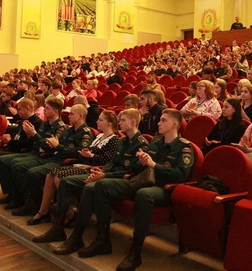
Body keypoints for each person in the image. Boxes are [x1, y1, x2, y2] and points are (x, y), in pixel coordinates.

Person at [62, 109, 193, 271]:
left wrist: (153, 165)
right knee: (100, 186)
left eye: (163, 120)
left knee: (144, 194)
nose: (158, 123)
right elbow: (139, 167)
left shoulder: (184, 147)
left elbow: (180, 175)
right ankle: (100, 240)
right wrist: (142, 161)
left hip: (163, 187)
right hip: (141, 180)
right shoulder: (155, 142)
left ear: (174, 124)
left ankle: (135, 252)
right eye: (160, 119)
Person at [32, 109, 148, 246]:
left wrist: (104, 174)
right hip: (103, 172)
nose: (119, 123)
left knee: (82, 185)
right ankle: (58, 228)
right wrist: (101, 171)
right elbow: (112, 163)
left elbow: (132, 171)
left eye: (123, 120)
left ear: (133, 122)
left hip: (121, 179)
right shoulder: (123, 141)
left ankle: (77, 235)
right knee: (65, 180)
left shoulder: (140, 144)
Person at [27, 110, 120, 225]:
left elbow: (108, 160)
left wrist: (91, 156)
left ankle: (68, 213)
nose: (97, 121)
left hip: (94, 168)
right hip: (84, 164)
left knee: (59, 177)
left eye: (101, 120)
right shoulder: (99, 136)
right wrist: (85, 153)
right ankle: (43, 212)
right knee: (51, 174)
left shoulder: (114, 140)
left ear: (109, 124)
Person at [0, 98, 68, 210]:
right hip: (34, 152)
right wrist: (30, 135)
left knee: (17, 165)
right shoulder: (45, 124)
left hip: (45, 156)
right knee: (1, 160)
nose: (44, 110)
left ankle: (28, 200)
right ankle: (14, 195)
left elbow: (48, 147)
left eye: (47, 108)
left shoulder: (60, 127)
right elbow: (37, 142)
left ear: (55, 111)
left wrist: (33, 134)